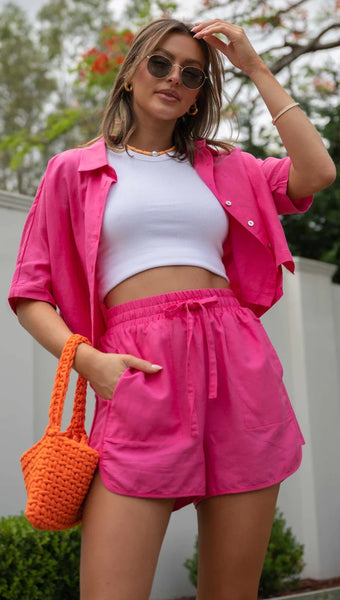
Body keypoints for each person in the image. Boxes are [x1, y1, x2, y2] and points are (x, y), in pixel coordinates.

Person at [9, 17, 335, 600]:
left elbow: (318, 172)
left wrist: (255, 69)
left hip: (237, 361)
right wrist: (90, 363)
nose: (174, 79)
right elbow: (30, 293)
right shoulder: (72, 170)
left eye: (192, 74)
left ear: (198, 96)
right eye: (160, 63)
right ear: (131, 72)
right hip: (138, 368)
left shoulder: (228, 165)